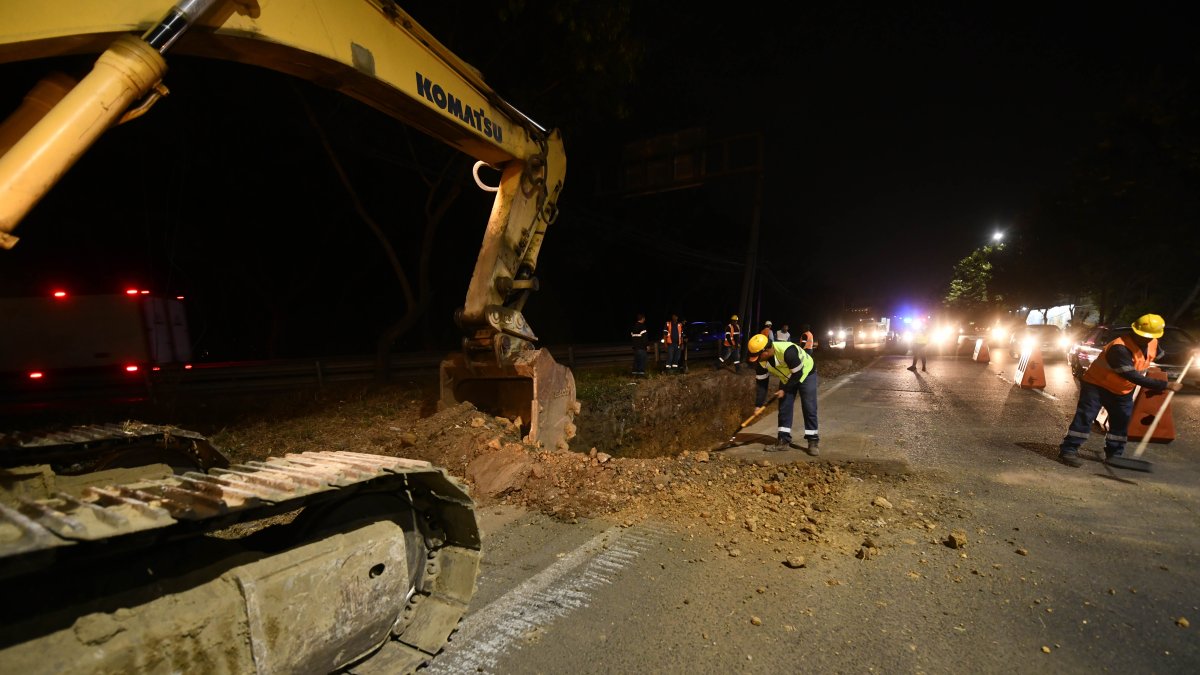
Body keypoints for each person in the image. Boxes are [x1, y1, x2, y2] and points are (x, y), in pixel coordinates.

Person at [1058, 313, 1183, 467]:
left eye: (1149, 336)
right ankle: (1068, 450)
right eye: (1141, 335)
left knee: (1121, 421)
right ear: (1135, 331)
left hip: (1122, 390)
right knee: (1086, 417)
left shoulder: (1153, 343)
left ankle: (1114, 454)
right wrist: (1165, 385)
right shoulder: (1119, 347)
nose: (1145, 339)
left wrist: (1184, 356)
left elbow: (1162, 357)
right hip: (1096, 386)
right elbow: (1132, 376)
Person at [747, 333, 821, 456]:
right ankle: (783, 441)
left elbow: (798, 374)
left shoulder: (787, 351)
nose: (758, 359)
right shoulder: (761, 362)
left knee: (809, 406)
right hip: (788, 378)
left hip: (806, 373)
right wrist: (758, 405)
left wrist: (784, 389)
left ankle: (813, 441)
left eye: (759, 356)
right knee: (784, 408)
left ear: (767, 350)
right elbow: (761, 385)